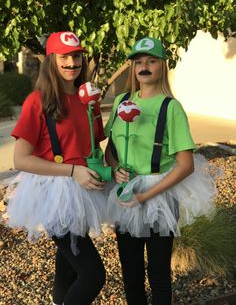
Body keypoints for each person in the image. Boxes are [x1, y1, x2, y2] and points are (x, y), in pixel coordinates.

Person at [104, 37, 217, 305]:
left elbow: (185, 165)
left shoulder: (171, 107)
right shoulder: (121, 100)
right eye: (138, 62)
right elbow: (110, 149)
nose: (144, 67)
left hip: (158, 196)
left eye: (151, 61)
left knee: (158, 273)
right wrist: (115, 167)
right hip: (126, 193)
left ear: (161, 66)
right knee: (130, 274)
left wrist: (145, 196)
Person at [6, 31, 107, 305]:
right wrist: (74, 171)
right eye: (64, 56)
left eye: (76, 56)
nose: (72, 63)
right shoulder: (37, 101)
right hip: (54, 195)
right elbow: (21, 159)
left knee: (68, 266)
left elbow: (94, 146)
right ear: (51, 61)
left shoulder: (89, 100)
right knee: (93, 275)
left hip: (85, 191)